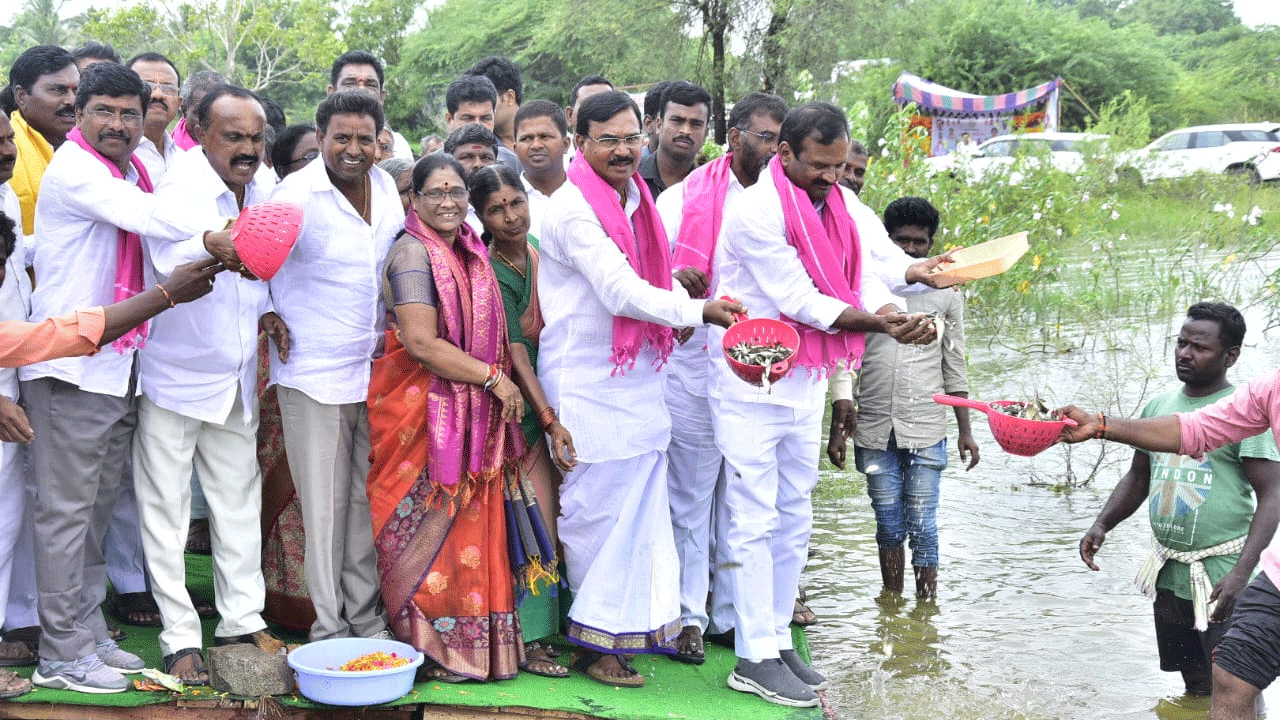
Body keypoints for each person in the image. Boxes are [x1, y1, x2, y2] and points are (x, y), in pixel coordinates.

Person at [708, 102, 947, 707]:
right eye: (819, 166)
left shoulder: (838, 201)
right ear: (783, 153)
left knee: (795, 511)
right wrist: (884, 324)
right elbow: (803, 299)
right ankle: (751, 655)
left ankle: (778, 638)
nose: (832, 177)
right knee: (754, 515)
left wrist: (915, 278)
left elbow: (872, 262)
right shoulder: (754, 211)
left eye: (840, 166)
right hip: (749, 379)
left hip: (806, 374)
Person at [20, 62, 217, 693]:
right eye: (103, 110)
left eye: (130, 113)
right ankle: (60, 652)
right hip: (68, 366)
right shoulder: (78, 170)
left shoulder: (134, 167)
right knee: (64, 515)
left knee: (95, 511)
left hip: (115, 362)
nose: (117, 123)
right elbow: (152, 220)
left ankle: (84, 630)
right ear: (79, 114)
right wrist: (223, 239)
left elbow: (159, 209)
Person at [537, 90, 741, 688]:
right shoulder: (573, 209)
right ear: (582, 144)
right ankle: (595, 644)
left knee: (639, 518)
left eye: (632, 138)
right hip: (589, 383)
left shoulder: (636, 199)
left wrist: (678, 300)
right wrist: (698, 308)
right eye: (610, 140)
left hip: (638, 381)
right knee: (596, 518)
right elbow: (619, 291)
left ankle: (621, 633)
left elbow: (641, 280)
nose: (625, 150)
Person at [133, 84, 288, 685]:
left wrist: (269, 305)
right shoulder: (180, 185)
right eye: (234, 136)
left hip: (234, 374)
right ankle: (178, 636)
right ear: (199, 131)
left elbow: (273, 258)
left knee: (237, 500)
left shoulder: (267, 184)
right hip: (176, 375)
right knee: (166, 511)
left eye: (254, 137)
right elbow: (167, 255)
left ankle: (241, 619)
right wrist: (211, 243)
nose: (247, 148)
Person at [366, 153, 525, 681]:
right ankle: (426, 642)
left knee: (470, 526)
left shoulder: (471, 253)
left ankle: (469, 644)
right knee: (414, 518)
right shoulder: (412, 254)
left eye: (457, 191)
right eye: (435, 192)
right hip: (420, 413)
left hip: (466, 413)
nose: (448, 202)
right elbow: (419, 342)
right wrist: (493, 379)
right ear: (413, 200)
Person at [1075, 303, 1279, 699]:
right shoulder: (1159, 409)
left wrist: (1242, 572)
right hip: (1170, 571)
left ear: (1230, 356)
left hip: (1222, 573)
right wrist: (1102, 524)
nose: (1185, 354)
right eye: (1181, 343)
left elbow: (1272, 494)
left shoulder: (1249, 412)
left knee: (1236, 684)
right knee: (1194, 686)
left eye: (1199, 347)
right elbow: (1138, 477)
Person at [653, 90, 787, 665]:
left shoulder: (791, 204)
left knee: (747, 497)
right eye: (765, 137)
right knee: (689, 495)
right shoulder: (683, 200)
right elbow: (650, 282)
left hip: (761, 371)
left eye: (782, 140)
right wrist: (677, 287)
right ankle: (689, 616)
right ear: (734, 138)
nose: (775, 149)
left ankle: (734, 616)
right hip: (692, 363)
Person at [267, 90, 396, 642]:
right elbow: (252, 265)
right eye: (341, 137)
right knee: (322, 509)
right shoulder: (293, 195)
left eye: (364, 138)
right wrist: (265, 312)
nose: (352, 148)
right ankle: (327, 628)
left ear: (379, 142)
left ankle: (366, 620)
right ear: (319, 139)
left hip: (374, 373)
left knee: (364, 506)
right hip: (311, 374)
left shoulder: (388, 187)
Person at [472, 163, 577, 678]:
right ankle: (531, 641)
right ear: (481, 218)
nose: (511, 216)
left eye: (516, 202)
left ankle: (567, 627)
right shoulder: (491, 270)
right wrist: (548, 417)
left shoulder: (542, 247)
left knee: (564, 516)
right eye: (496, 209)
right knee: (531, 521)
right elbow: (514, 349)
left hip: (561, 386)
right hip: (521, 406)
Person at [848, 197, 979, 601]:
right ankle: (892, 604)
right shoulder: (866, 286)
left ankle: (925, 613)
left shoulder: (946, 296)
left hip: (926, 427)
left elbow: (954, 365)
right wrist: (843, 413)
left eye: (918, 243)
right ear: (885, 241)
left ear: (930, 244)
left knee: (923, 523)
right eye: (900, 241)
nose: (909, 250)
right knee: (888, 522)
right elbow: (845, 359)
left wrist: (965, 431)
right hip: (873, 429)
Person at [9, 45, 78, 237]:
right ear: (22, 96)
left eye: (77, 90)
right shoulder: (7, 151)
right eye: (58, 90)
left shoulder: (95, 147)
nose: (71, 101)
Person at [327, 50, 413, 159]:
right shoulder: (312, 143)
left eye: (370, 85)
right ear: (331, 93)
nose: (361, 90)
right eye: (350, 83)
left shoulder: (399, 147)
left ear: (382, 97)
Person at [638, 81, 710, 198]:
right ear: (659, 124)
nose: (686, 131)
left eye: (696, 124)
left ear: (706, 133)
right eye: (677, 120)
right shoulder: (631, 178)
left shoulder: (711, 189)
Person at [511, 100, 569, 238]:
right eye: (526, 138)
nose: (536, 145)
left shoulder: (587, 194)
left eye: (545, 137)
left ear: (566, 144)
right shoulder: (507, 201)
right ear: (515, 149)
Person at [444, 75, 519, 171]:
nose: (477, 125)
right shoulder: (431, 167)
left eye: (485, 118)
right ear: (450, 119)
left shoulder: (512, 163)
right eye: (468, 118)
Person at [126, 53, 183, 178]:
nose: (158, 94)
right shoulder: (117, 154)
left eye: (168, 88)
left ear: (179, 103)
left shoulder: (184, 159)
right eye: (147, 86)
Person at [465, 56, 522, 148]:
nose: (478, 108)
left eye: (485, 99)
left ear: (510, 97)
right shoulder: (475, 149)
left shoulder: (545, 136)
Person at [172, 71, 227, 150]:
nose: (210, 121)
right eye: (200, 113)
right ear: (184, 111)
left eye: (219, 112)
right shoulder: (170, 153)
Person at [641, 81, 672, 159]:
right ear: (648, 124)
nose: (685, 130)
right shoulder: (632, 168)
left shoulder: (701, 169)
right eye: (675, 120)